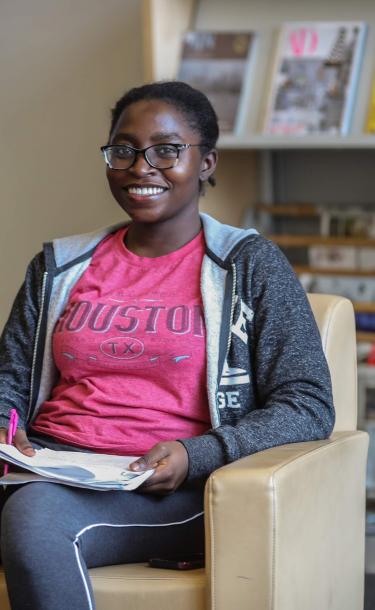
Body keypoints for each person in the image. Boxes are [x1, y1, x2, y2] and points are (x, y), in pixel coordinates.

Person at [0, 80, 335, 610]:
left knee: (35, 518)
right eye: (125, 150)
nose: (141, 166)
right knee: (31, 503)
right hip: (48, 466)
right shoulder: (58, 267)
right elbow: (11, 382)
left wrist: (195, 453)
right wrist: (5, 425)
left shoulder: (249, 266)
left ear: (206, 163)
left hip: (167, 489)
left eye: (166, 150)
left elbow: (308, 405)